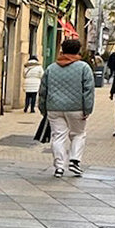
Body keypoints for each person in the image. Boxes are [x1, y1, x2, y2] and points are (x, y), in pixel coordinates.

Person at [38, 37, 94, 177]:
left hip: (54, 108)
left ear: (62, 50)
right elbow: (88, 90)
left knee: (58, 136)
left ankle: (59, 167)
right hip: (76, 108)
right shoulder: (84, 68)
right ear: (78, 50)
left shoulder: (51, 68)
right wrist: (88, 109)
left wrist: (43, 108)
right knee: (78, 134)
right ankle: (74, 161)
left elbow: (43, 90)